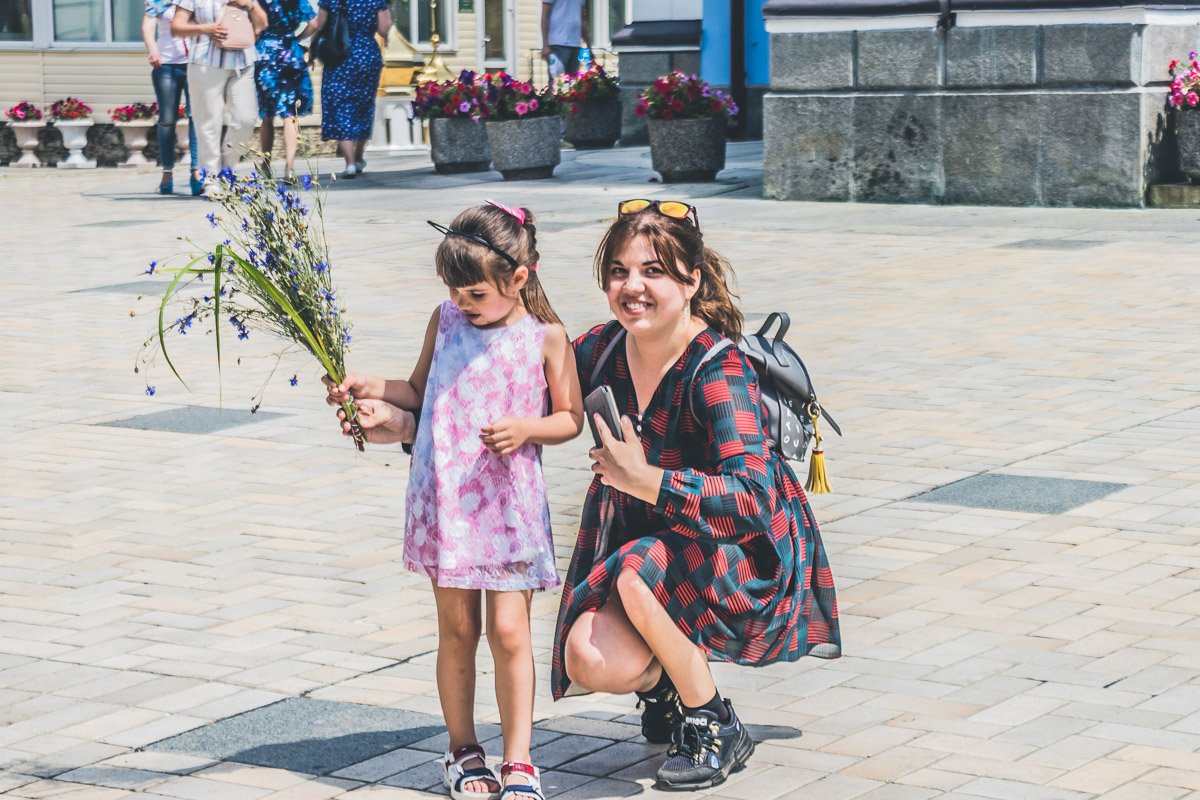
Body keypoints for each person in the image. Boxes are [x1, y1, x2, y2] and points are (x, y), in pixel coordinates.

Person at [551, 200, 842, 791]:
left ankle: (714, 721)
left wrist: (646, 481)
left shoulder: (717, 368)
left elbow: (754, 499)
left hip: (741, 550)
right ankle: (667, 692)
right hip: (654, 541)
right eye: (618, 271)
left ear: (691, 281)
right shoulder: (601, 349)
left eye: (653, 271)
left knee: (635, 573)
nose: (632, 286)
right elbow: (519, 400)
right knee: (587, 656)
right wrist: (402, 419)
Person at [325, 202, 584, 800]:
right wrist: (369, 388)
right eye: (455, 291)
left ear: (519, 278)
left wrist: (527, 428)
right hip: (446, 504)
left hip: (507, 507)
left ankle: (519, 760)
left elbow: (569, 418)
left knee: (512, 633)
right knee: (457, 629)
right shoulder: (444, 321)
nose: (463, 302)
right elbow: (418, 391)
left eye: (473, 293)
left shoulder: (546, 337)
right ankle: (463, 751)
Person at [171, 0, 267, 179]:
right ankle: (211, 178)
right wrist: (206, 29)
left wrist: (250, 5)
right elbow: (176, 27)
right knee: (209, 123)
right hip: (205, 63)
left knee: (246, 119)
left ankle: (226, 166)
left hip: (242, 62)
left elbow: (262, 24)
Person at [311, 0, 390, 179]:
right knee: (364, 106)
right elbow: (383, 29)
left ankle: (350, 163)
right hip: (367, 54)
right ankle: (359, 155)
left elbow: (319, 24)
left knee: (340, 107)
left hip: (339, 52)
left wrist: (312, 49)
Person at [142, 0, 202, 195]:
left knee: (196, 117)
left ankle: (196, 171)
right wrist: (152, 50)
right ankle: (167, 170)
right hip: (166, 64)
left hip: (195, 63)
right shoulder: (158, 2)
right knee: (167, 120)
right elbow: (148, 26)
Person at [255, 0, 318, 181]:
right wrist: (296, 39)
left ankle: (265, 165)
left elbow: (256, 26)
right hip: (290, 53)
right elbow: (314, 23)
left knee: (267, 115)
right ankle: (289, 167)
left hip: (266, 54)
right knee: (290, 114)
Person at [540, 0, 588, 78]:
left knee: (573, 85)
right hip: (557, 43)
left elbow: (582, 18)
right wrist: (545, 45)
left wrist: (589, 45)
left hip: (575, 44)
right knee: (556, 83)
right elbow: (545, 16)